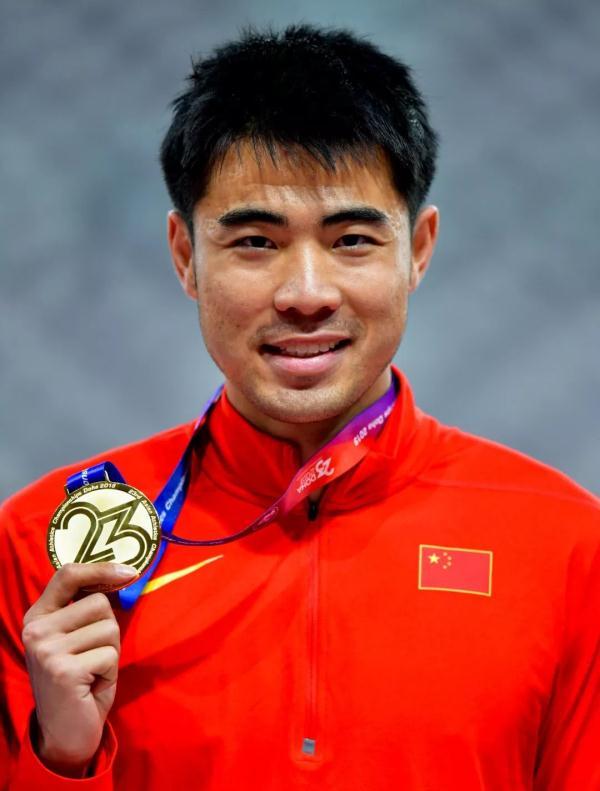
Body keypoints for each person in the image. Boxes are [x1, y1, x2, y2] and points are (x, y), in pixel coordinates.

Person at [1, 23, 598, 791]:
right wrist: (61, 757)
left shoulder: (565, 544)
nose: (306, 294)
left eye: (352, 240)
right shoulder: (44, 547)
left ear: (418, 249)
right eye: (256, 241)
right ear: (186, 256)